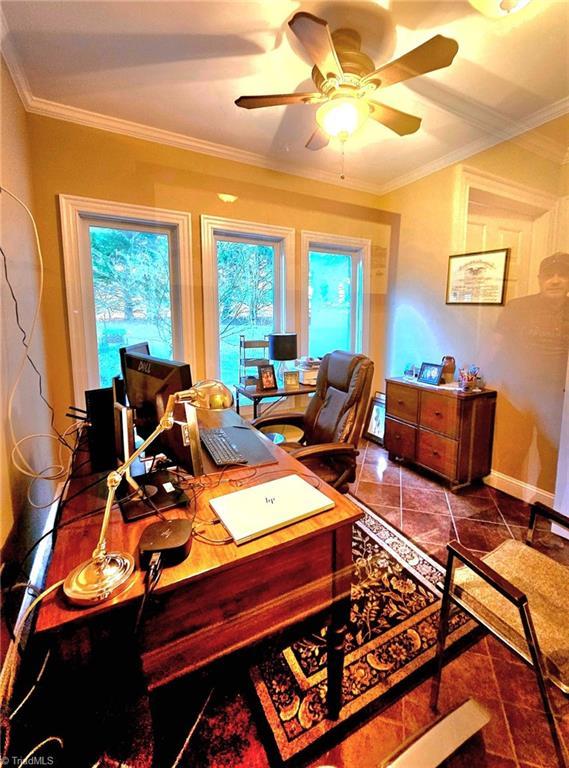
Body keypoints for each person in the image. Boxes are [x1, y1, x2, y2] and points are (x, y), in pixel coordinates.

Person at [489, 252, 569, 490]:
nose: (555, 280)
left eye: (562, 274)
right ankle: (502, 505)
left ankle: (543, 515)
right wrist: (484, 377)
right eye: (549, 275)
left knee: (553, 461)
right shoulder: (519, 307)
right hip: (516, 395)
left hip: (557, 401)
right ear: (539, 279)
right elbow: (496, 343)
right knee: (510, 454)